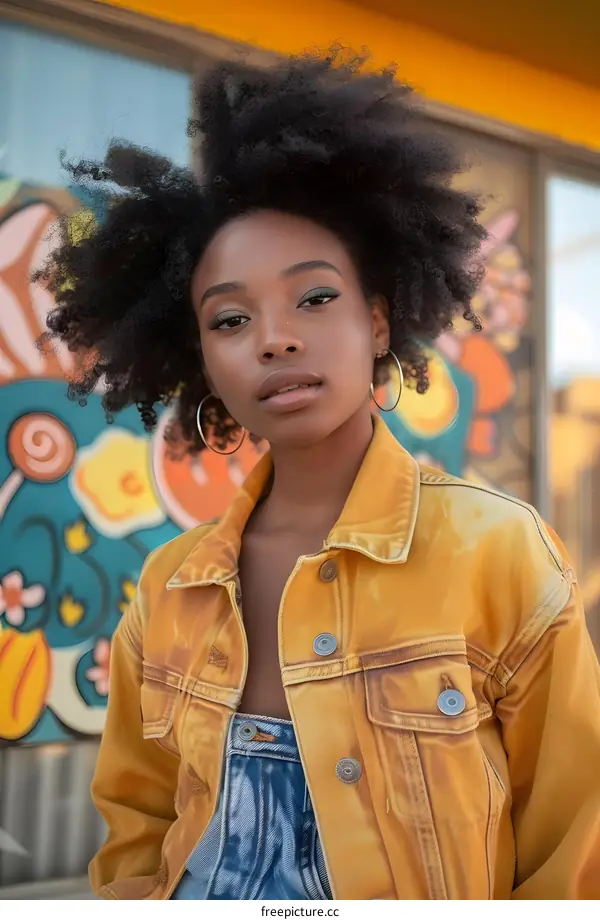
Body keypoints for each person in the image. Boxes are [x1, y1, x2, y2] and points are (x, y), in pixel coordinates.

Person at [39, 48, 600, 901]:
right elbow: (139, 826)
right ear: (201, 358)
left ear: (378, 320)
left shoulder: (500, 553)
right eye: (231, 318)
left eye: (314, 298)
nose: (275, 338)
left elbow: (575, 852)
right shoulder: (168, 587)